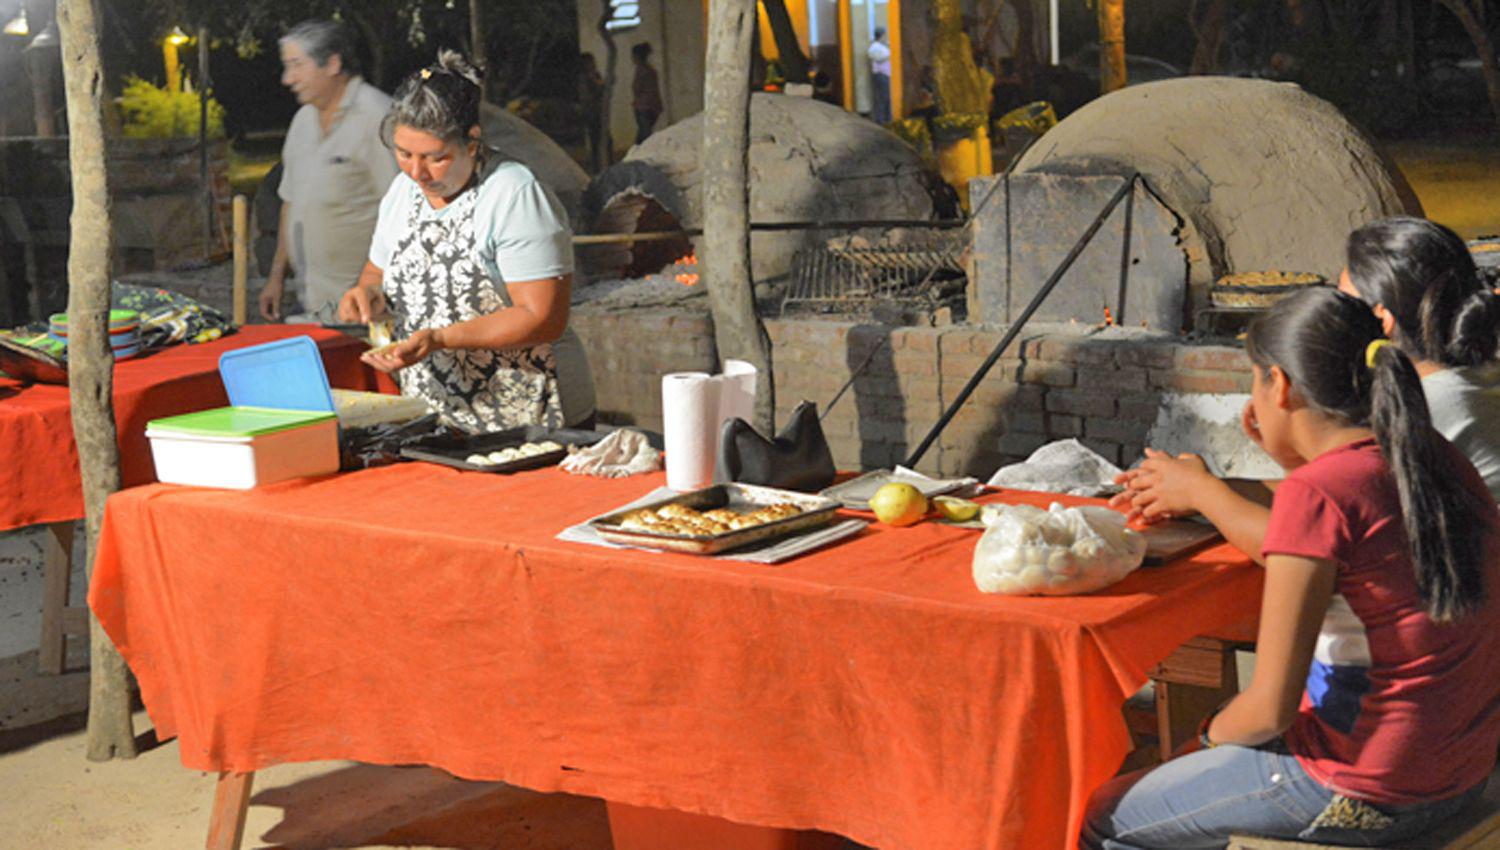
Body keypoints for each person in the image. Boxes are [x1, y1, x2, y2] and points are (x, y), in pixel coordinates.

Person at [1083, 287, 1500, 848]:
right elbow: (1337, 527)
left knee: (1108, 814)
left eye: (1255, 379)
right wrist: (1286, 457)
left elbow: (1268, 710)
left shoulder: (1320, 493)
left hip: (1364, 785)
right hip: (1461, 768)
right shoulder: (1428, 454)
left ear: (1278, 384)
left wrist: (1203, 738)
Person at [1115, 218, 1500, 556]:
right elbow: (1333, 500)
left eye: (1341, 303)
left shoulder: (1432, 407)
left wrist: (1205, 495)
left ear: (1381, 319)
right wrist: (1201, 488)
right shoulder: (1465, 383)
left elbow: (1308, 541)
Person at [337, 51, 596, 432]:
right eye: (404, 153)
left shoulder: (513, 194)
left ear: (472, 142)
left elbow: (542, 317)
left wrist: (443, 338)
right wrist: (367, 294)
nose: (417, 172)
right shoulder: (401, 192)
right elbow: (376, 270)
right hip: (438, 410)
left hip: (531, 413)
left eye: (435, 158)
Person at [260, 20, 399, 322]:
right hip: (313, 299)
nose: (288, 78)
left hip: (366, 307)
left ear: (333, 63)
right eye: (286, 66)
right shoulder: (303, 121)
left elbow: (405, 211)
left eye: (297, 65)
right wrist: (276, 277)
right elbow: (291, 200)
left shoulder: (377, 117)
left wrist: (373, 288)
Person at [578, 52, 608, 173]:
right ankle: (596, 168)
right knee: (595, 140)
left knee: (605, 140)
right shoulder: (584, 78)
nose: (593, 64)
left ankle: (604, 164)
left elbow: (604, 89)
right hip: (591, 113)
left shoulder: (595, 75)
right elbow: (587, 96)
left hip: (599, 112)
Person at [630, 42, 663, 145]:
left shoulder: (641, 71)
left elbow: (637, 88)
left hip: (643, 107)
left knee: (644, 134)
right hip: (651, 106)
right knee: (644, 133)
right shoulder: (650, 70)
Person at [867, 26, 892, 125]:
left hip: (883, 74)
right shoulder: (875, 47)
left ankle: (885, 118)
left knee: (884, 97)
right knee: (882, 97)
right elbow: (879, 58)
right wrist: (887, 53)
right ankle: (882, 120)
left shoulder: (880, 46)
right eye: (885, 35)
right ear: (881, 36)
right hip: (880, 74)